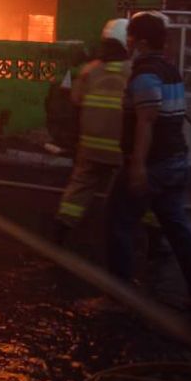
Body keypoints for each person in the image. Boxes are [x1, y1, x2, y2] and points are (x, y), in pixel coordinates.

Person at [105, 11, 191, 312]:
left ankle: (117, 297)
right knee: (177, 227)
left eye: (132, 37)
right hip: (176, 161)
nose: (129, 42)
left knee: (117, 222)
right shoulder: (169, 70)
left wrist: (137, 166)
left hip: (154, 164)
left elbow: (147, 121)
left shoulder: (146, 73)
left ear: (143, 41)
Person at [52, 19, 130, 241]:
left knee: (79, 188)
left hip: (90, 148)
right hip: (121, 151)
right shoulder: (133, 72)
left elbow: (75, 99)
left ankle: (61, 231)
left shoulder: (89, 71)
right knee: (136, 190)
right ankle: (151, 239)